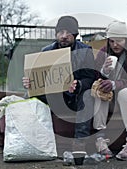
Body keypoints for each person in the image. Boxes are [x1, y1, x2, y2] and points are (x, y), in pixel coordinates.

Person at [22, 16, 95, 148]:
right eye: (61, 32)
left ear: (75, 35)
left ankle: (80, 142)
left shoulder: (85, 51)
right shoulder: (46, 51)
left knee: (88, 95)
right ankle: (30, 139)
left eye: (68, 33)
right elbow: (38, 78)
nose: (64, 36)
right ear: (56, 34)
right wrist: (30, 83)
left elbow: (90, 78)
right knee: (29, 97)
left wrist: (78, 85)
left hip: (74, 98)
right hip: (54, 97)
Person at [93, 21, 127, 160]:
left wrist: (115, 84)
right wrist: (103, 72)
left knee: (125, 93)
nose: (115, 45)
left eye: (119, 41)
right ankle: (100, 139)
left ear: (126, 40)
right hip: (110, 100)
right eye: (111, 41)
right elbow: (96, 80)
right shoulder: (103, 53)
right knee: (100, 90)